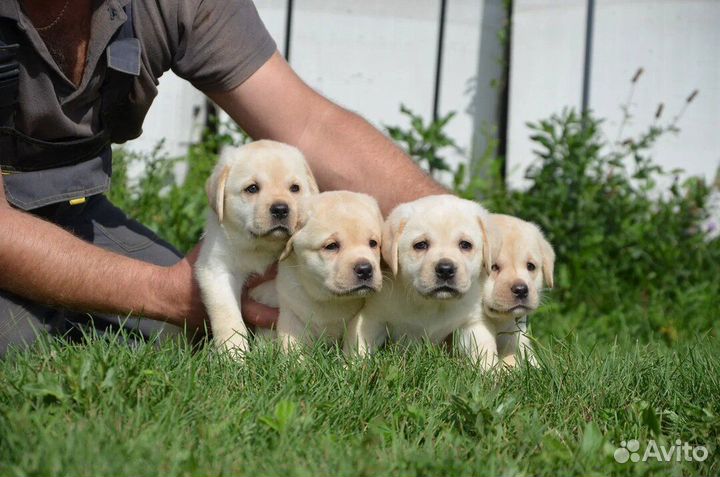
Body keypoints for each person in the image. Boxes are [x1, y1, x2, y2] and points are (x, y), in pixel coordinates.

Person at [0, 0, 446, 357]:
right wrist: (161, 293)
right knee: (21, 340)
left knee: (183, 333)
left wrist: (450, 231)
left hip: (78, 209)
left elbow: (311, 126)